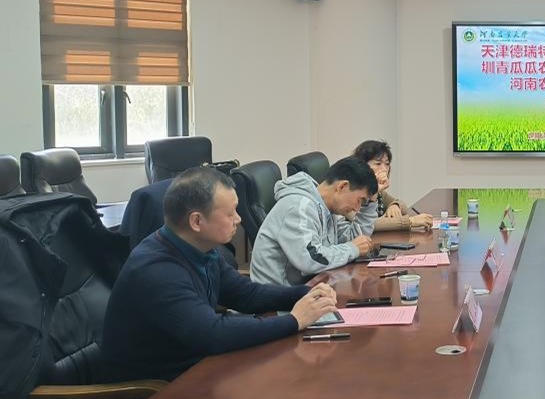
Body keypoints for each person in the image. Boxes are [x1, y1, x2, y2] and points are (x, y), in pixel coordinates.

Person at [101, 167, 338, 381]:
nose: (239, 219)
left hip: (195, 368)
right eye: (231, 213)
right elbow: (212, 334)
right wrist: (294, 320)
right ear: (197, 221)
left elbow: (246, 295)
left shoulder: (199, 248)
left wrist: (304, 293)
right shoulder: (157, 270)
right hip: (153, 393)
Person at [249, 157, 378, 286]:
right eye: (360, 200)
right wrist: (352, 249)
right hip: (279, 294)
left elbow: (356, 240)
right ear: (342, 186)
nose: (357, 208)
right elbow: (310, 259)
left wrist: (371, 203)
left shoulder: (326, 207)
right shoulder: (299, 206)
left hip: (307, 286)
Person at [351, 139, 434, 232]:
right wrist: (410, 221)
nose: (384, 169)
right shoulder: (352, 191)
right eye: (378, 164)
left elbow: (401, 204)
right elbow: (366, 225)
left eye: (387, 164)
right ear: (362, 166)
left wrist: (394, 205)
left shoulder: (378, 191)